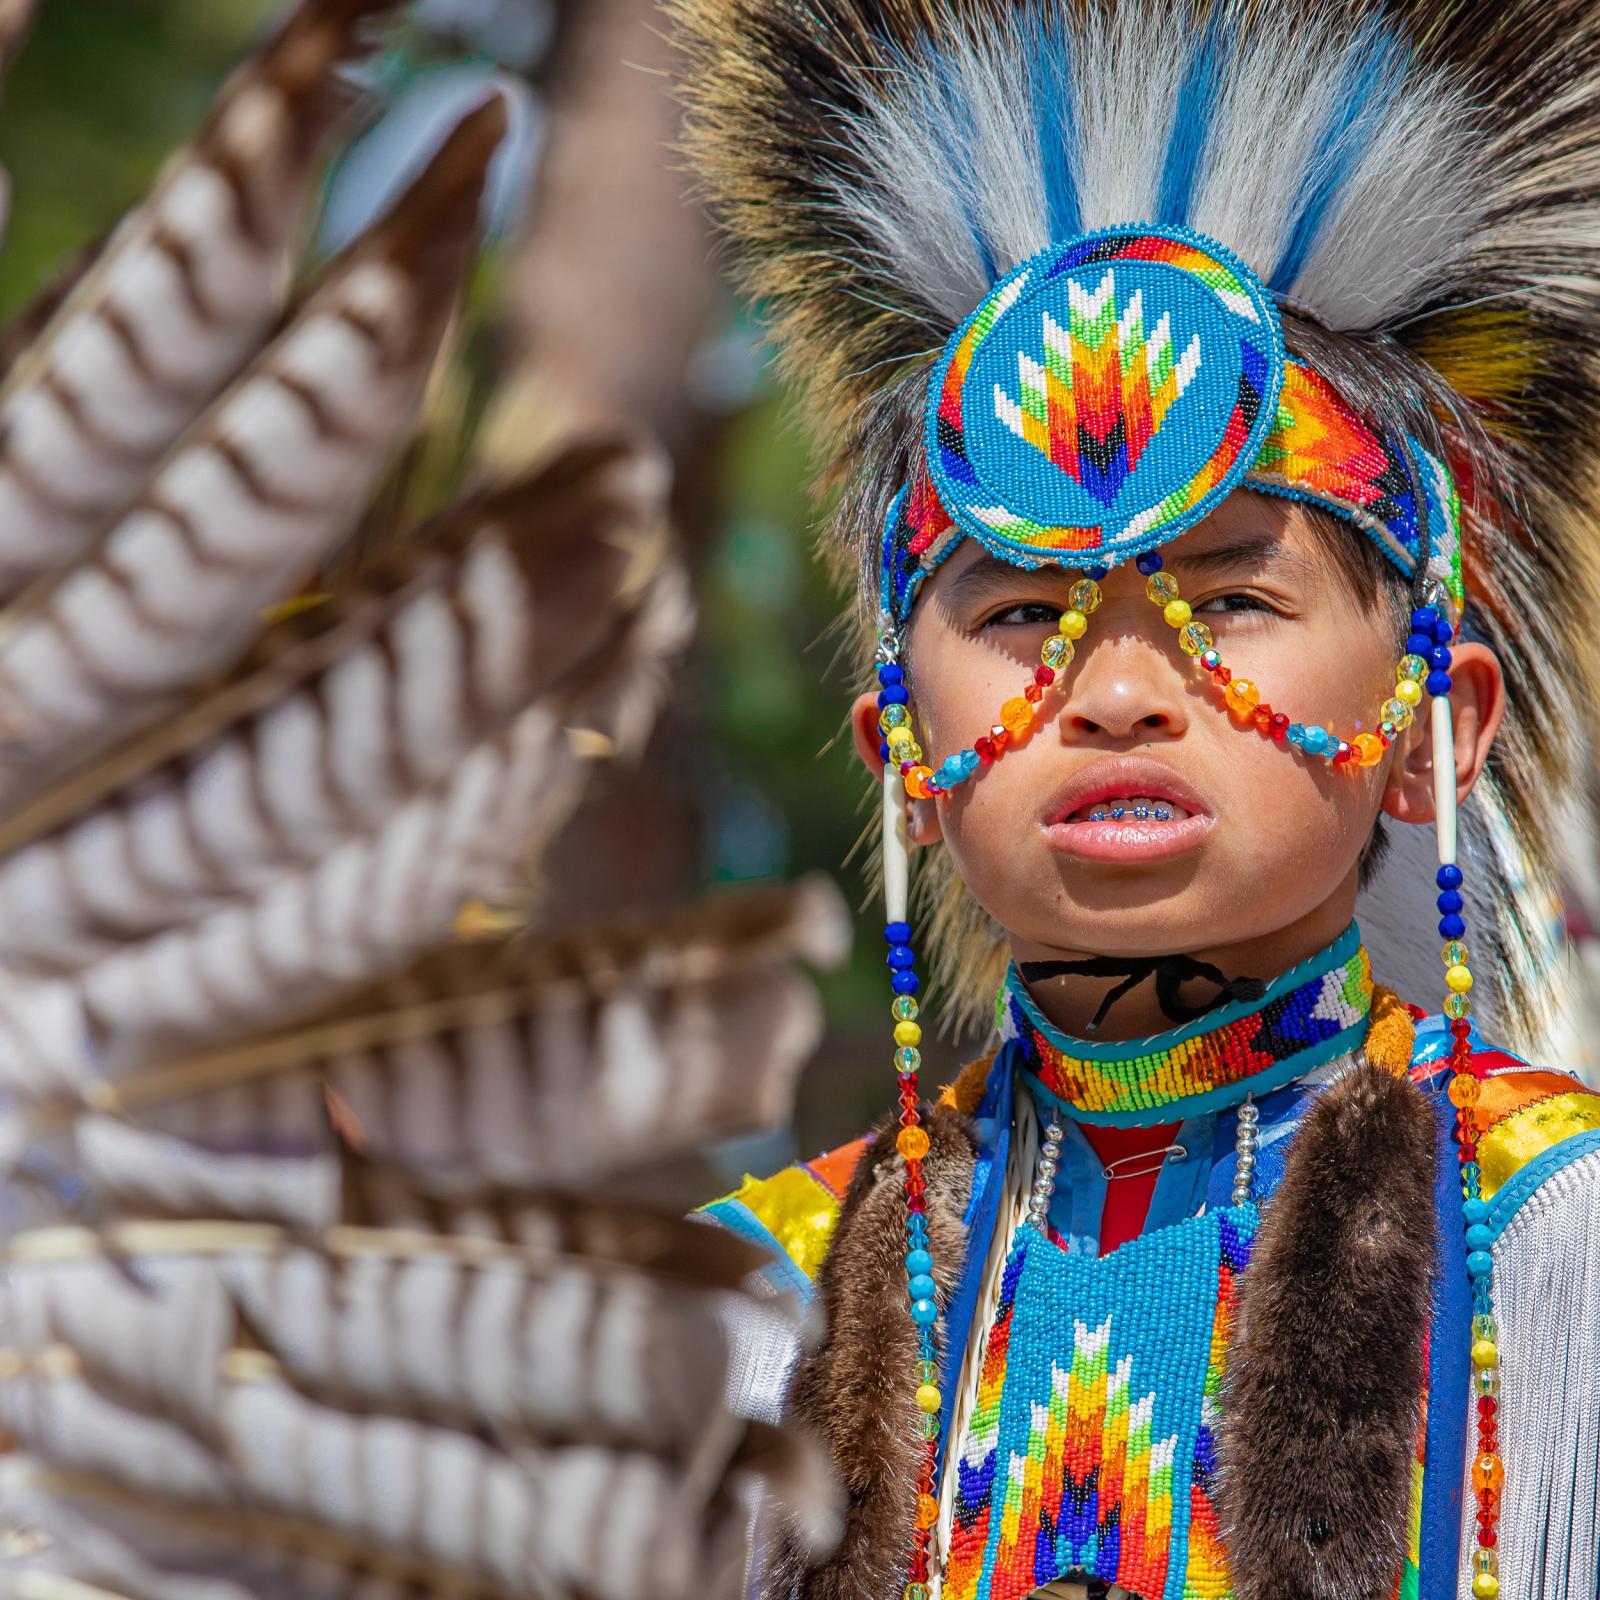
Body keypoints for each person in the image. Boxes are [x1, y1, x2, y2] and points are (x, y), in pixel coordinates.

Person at [675, 2, 1600, 1596]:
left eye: (1231, 602)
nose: (1114, 692)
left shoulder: (1556, 1252)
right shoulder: (740, 1322)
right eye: (1023, 615)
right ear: (899, 745)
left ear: (1432, 721)